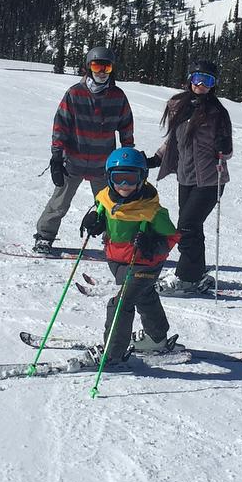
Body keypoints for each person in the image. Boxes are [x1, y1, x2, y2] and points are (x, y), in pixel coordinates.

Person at [79, 147, 180, 364]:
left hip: (144, 263)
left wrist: (153, 244)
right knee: (143, 295)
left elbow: (172, 237)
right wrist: (95, 222)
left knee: (120, 304)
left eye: (131, 179)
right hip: (117, 260)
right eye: (119, 178)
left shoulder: (152, 211)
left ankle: (111, 355)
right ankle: (156, 337)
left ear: (142, 178)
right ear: (109, 177)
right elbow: (101, 213)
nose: (124, 185)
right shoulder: (104, 199)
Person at [32, 45, 134, 255]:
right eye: (97, 66)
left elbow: (126, 126)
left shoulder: (118, 96)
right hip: (74, 161)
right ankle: (44, 236)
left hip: (104, 164)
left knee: (111, 206)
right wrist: (56, 156)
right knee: (59, 203)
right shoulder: (75, 93)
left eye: (106, 68)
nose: (101, 72)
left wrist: (127, 155)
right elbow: (61, 125)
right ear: (88, 68)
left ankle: (116, 242)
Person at [150, 58, 233, 295]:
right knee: (192, 227)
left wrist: (223, 144)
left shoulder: (218, 112)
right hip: (185, 177)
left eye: (207, 81)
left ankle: (187, 277)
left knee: (186, 225)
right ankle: (195, 272)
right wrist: (156, 158)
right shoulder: (179, 105)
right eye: (198, 79)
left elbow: (227, 152)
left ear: (214, 85)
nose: (201, 85)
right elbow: (173, 140)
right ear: (190, 79)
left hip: (210, 180)